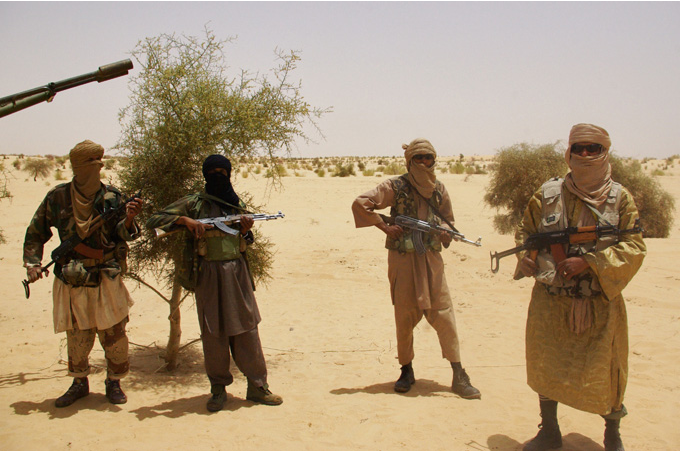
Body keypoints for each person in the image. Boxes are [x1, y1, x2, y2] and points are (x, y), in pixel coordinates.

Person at [515, 124, 646, 451]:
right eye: (579, 149)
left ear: (605, 152)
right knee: (545, 363)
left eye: (593, 149)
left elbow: (634, 246)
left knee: (607, 370)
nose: (585, 155)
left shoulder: (620, 199)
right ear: (569, 153)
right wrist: (527, 256)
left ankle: (612, 436)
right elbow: (527, 232)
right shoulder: (547, 195)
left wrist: (589, 262)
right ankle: (549, 431)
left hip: (599, 302)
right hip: (551, 301)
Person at [146, 154, 282, 412]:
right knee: (213, 332)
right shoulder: (194, 203)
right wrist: (184, 221)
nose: (219, 175)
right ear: (205, 174)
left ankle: (257, 387)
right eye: (213, 171)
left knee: (247, 329)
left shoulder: (235, 202)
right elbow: (154, 221)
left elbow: (247, 240)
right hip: (207, 273)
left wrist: (245, 229)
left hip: (237, 273)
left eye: (223, 171)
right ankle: (218, 389)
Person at [351, 138, 480, 399]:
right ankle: (406, 370)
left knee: (444, 313)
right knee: (404, 316)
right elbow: (361, 203)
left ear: (434, 160)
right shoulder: (395, 186)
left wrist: (445, 233)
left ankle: (458, 373)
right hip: (403, 260)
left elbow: (448, 221)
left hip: (431, 261)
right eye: (417, 158)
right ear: (409, 161)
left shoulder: (440, 189)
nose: (423, 163)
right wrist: (384, 226)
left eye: (427, 158)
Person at [23, 140, 143, 407]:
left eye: (98, 163)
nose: (96, 169)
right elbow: (36, 232)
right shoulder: (58, 197)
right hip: (72, 277)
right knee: (77, 334)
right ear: (77, 167)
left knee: (114, 333)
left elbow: (125, 235)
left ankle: (114, 382)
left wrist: (131, 219)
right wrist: (32, 263)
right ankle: (79, 383)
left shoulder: (113, 197)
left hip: (106, 276)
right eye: (91, 164)